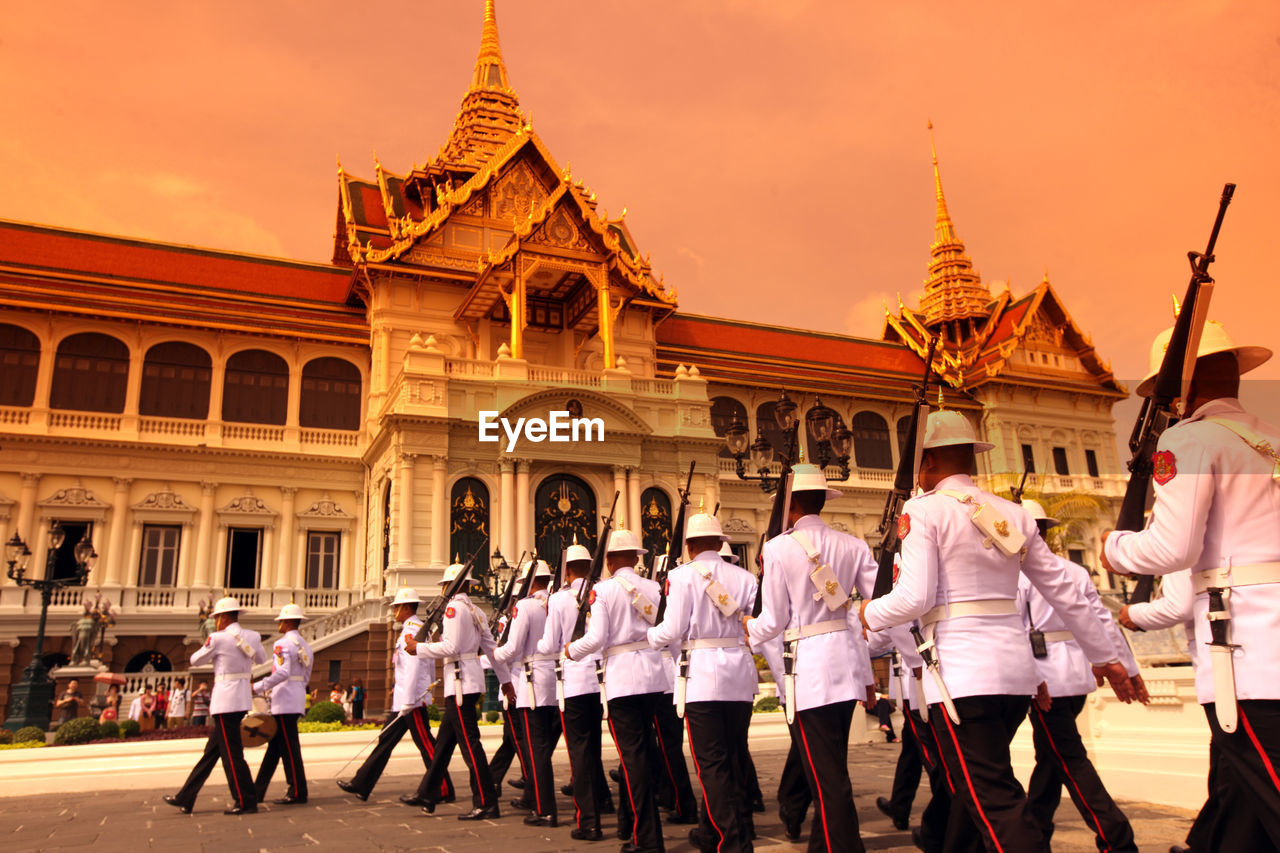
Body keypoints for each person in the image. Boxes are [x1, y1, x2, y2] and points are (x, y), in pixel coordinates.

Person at [861, 411, 1135, 853]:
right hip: (1016, 677)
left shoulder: (923, 510)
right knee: (974, 793)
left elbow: (914, 598)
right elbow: (1067, 591)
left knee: (995, 802)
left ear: (926, 460)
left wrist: (868, 613)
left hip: (961, 678)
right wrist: (1106, 657)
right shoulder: (1011, 514)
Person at [1102, 320, 1280, 852]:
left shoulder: (1188, 440)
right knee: (1239, 805)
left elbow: (1171, 550)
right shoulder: (1269, 445)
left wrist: (1115, 545)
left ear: (1177, 389)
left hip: (1244, 660)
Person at [745, 462, 879, 853]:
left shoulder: (778, 548)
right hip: (847, 662)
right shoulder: (853, 545)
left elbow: (774, 620)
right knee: (832, 767)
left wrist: (749, 628)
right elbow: (877, 602)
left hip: (810, 670)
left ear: (788, 505)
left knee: (827, 779)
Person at [1017, 499, 1144, 852]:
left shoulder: (1018, 575)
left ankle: (1116, 837)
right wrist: (1126, 667)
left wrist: (1030, 678)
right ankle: (1034, 834)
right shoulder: (1072, 570)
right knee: (1050, 759)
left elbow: (1017, 629)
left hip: (1044, 679)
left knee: (1069, 760)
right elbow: (1103, 622)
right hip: (1074, 675)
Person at [648, 512, 758, 853]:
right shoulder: (745, 577)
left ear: (690, 545)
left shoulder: (681, 577)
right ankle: (713, 832)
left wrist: (651, 636)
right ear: (720, 542)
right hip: (739, 673)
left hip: (702, 677)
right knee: (735, 756)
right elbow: (752, 623)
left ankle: (732, 843)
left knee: (711, 764)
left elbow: (674, 627)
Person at [567, 526, 670, 853]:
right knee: (646, 752)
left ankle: (648, 838)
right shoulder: (653, 587)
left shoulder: (604, 590)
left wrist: (572, 650)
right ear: (635, 556)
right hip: (654, 675)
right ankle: (632, 823)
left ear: (609, 559)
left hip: (624, 680)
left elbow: (596, 639)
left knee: (633, 758)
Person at [411, 561, 512, 820]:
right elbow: (492, 649)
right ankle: (428, 792)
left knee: (470, 745)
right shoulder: (475, 610)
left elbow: (452, 647)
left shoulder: (454, 608)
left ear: (449, 585)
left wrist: (419, 648)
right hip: (466, 681)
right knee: (444, 744)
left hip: (459, 682)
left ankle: (486, 801)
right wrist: (505, 680)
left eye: (444, 584)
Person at [338, 588, 454, 803]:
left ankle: (444, 788)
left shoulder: (413, 631)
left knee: (426, 744)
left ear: (407, 607)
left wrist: (410, 701)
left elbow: (413, 668)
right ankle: (362, 783)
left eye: (397, 607)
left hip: (411, 700)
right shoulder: (411, 629)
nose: (394, 611)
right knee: (385, 741)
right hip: (404, 699)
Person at [538, 537, 613, 841]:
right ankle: (603, 803)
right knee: (593, 749)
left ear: (567, 571)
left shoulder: (557, 600)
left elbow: (547, 644)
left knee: (578, 754)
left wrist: (547, 647)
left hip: (573, 682)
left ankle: (589, 821)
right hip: (599, 681)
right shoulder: (599, 592)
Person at [164, 596, 268, 815]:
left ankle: (246, 800)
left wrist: (209, 642)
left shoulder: (218, 638)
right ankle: (186, 796)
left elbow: (195, 660)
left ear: (222, 618)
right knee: (211, 753)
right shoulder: (253, 636)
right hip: (241, 699)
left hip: (225, 701)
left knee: (232, 755)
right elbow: (261, 659)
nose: (216, 621)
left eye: (217, 617)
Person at [494, 558, 561, 826]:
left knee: (536, 749)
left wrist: (494, 653)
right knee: (543, 745)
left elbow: (512, 649)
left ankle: (544, 808)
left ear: (529, 582)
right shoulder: (557, 601)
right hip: (555, 680)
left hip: (531, 681)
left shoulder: (525, 606)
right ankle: (539, 802)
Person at [253, 603, 315, 805]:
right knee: (275, 748)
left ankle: (298, 791)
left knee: (289, 749)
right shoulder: (304, 645)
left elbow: (281, 672)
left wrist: (258, 687)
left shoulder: (282, 645)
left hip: (284, 699)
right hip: (295, 696)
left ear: (287, 622)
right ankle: (257, 791)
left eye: (281, 621)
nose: (279, 624)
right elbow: (305, 676)